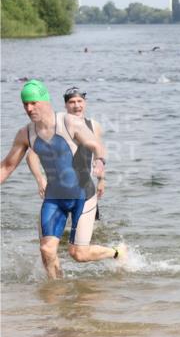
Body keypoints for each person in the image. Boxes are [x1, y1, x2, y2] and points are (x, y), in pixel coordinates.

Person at [0, 80, 124, 278]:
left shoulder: (69, 122)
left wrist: (100, 162)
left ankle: (116, 252)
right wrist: (39, 179)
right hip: (53, 198)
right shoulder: (26, 134)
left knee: (78, 253)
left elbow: (96, 145)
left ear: (45, 100)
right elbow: (6, 166)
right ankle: (57, 294)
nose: (29, 108)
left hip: (82, 196)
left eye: (33, 103)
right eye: (25, 104)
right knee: (47, 251)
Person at [27, 87, 106, 220]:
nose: (77, 106)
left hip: (85, 187)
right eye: (72, 102)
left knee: (92, 231)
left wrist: (101, 179)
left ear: (85, 102)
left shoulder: (94, 125)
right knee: (59, 233)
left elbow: (99, 153)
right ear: (65, 105)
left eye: (80, 101)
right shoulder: (57, 126)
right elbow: (31, 155)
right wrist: (40, 179)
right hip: (59, 190)